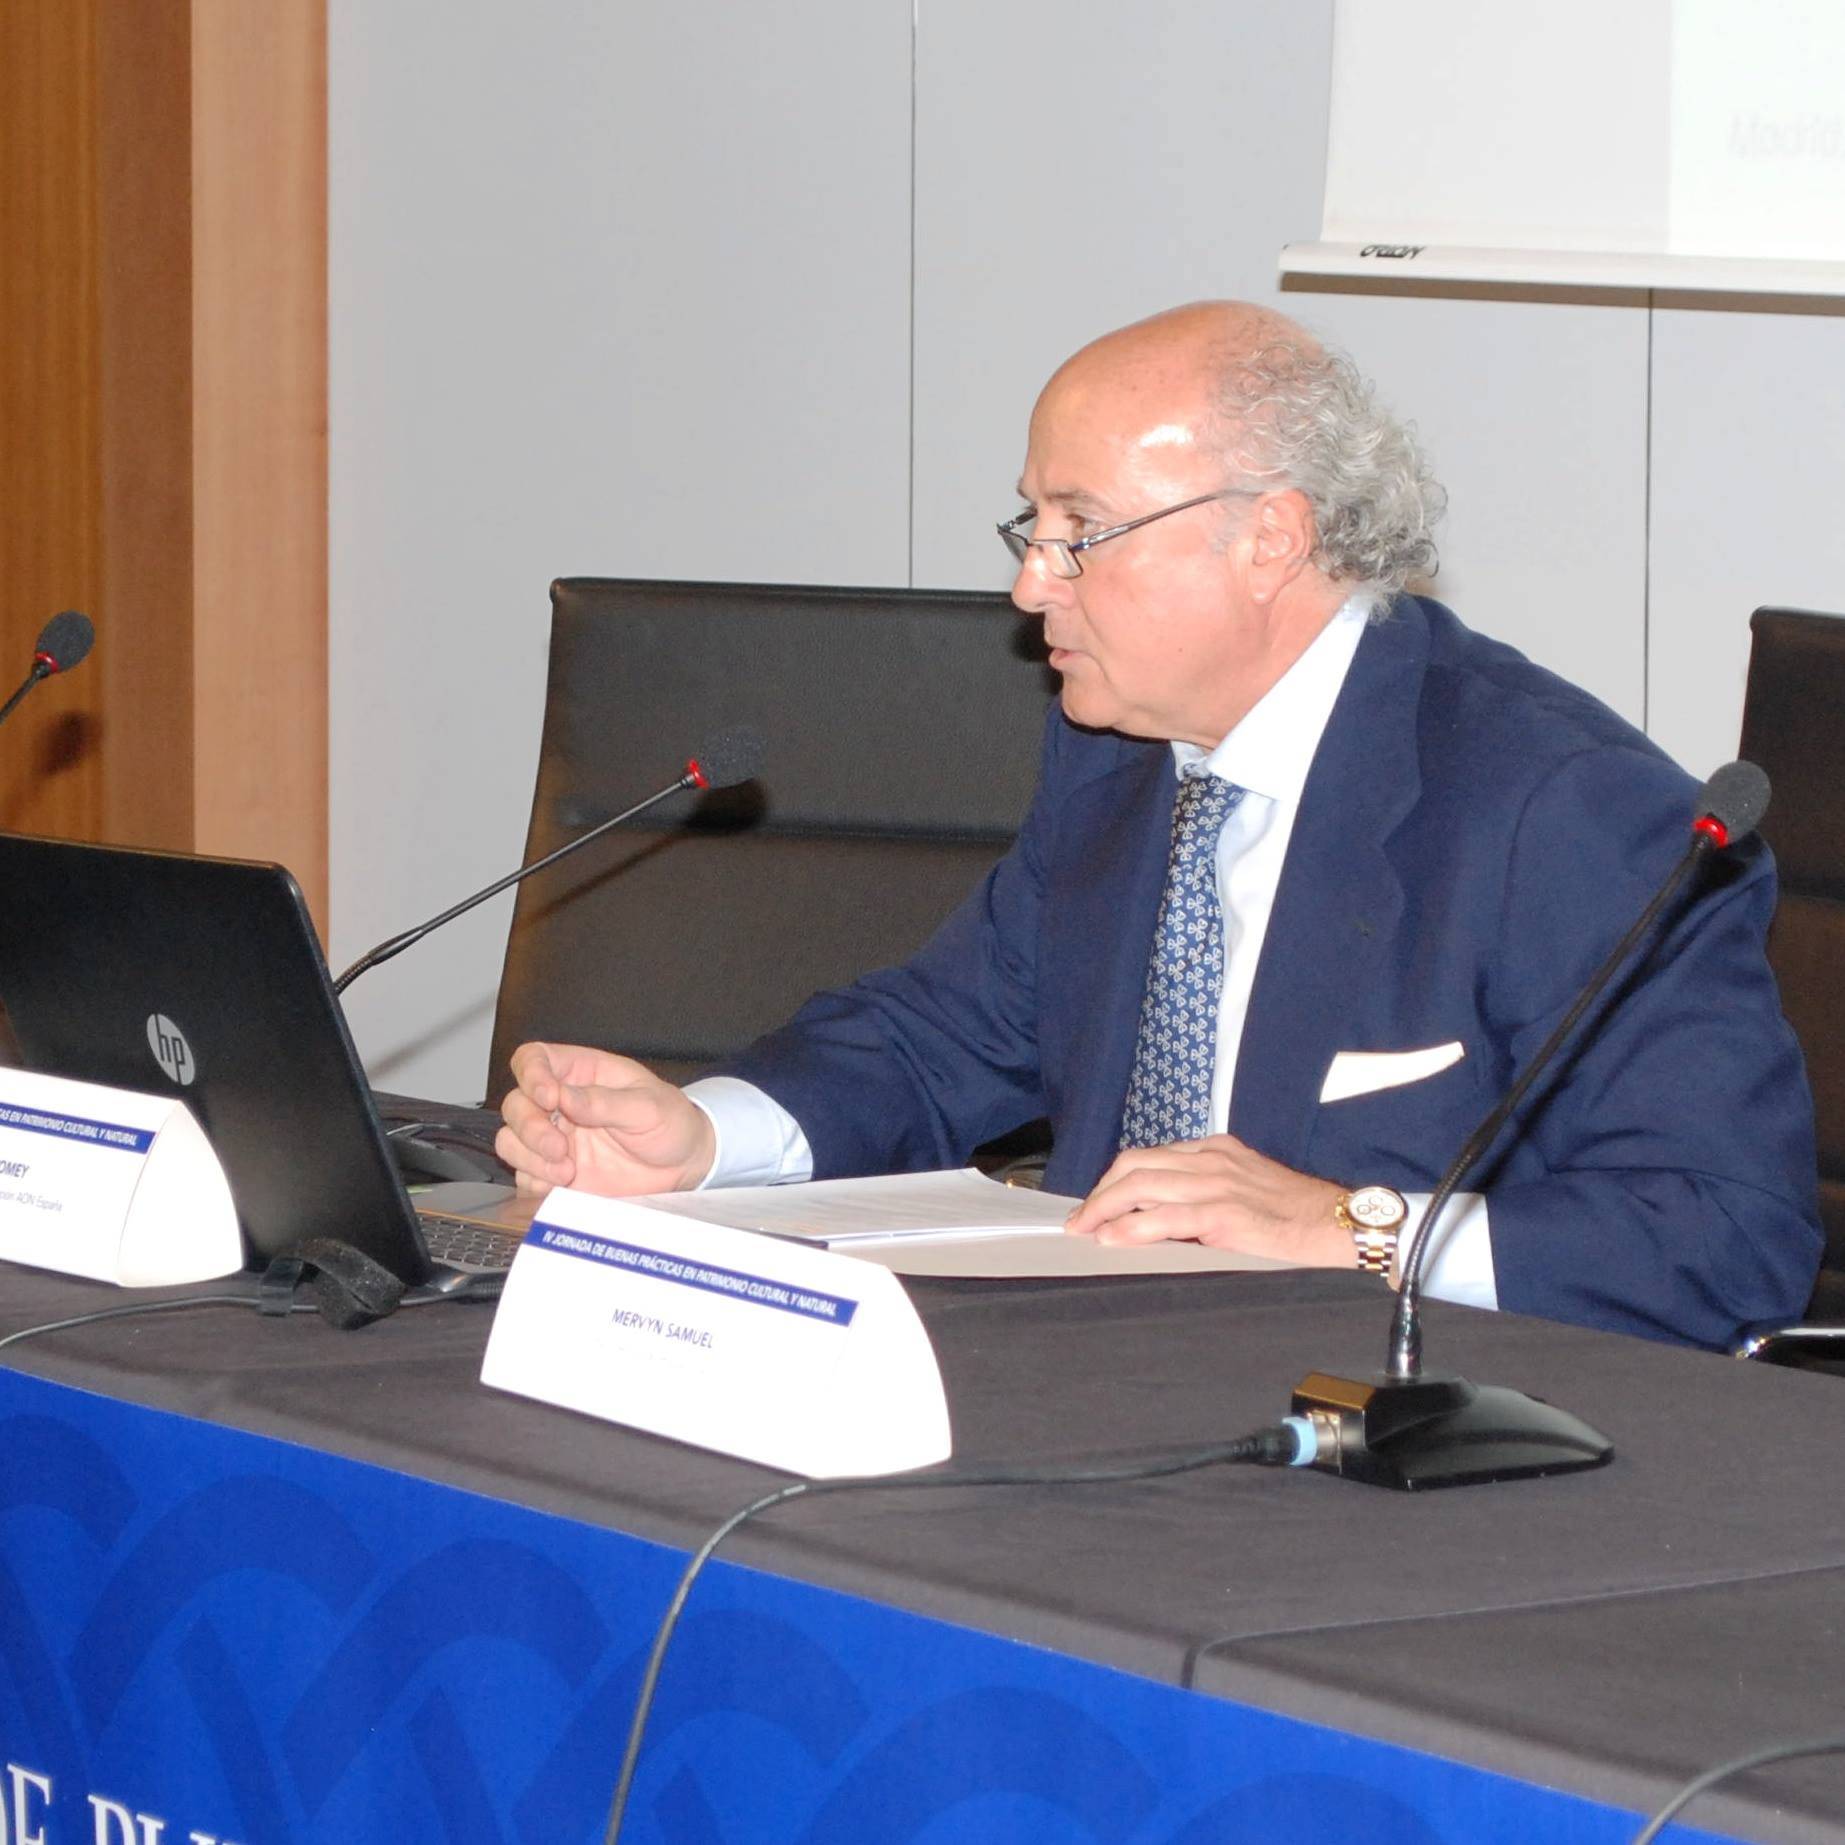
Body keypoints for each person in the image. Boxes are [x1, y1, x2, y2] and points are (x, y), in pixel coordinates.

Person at [497, 301, 1821, 1349]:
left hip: (1399, 1441)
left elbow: (1723, 1236)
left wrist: (1354, 1227)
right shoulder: (1122, 751)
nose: (1029, 585)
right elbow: (944, 1034)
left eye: (1080, 530)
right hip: (1099, 1376)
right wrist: (707, 1138)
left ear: (1270, 539)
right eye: (1030, 524)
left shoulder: (1559, 808)